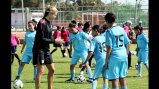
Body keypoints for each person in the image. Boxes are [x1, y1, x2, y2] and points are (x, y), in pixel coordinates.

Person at [32, 5, 64, 89]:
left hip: (46, 49)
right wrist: (54, 41)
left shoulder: (50, 23)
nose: (55, 16)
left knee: (52, 70)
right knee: (40, 71)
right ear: (50, 13)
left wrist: (58, 42)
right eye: (55, 14)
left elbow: (50, 38)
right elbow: (41, 38)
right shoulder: (42, 22)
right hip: (39, 50)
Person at [105, 12, 130, 89]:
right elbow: (128, 42)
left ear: (107, 21)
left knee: (114, 79)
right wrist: (126, 54)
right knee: (122, 77)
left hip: (114, 57)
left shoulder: (109, 31)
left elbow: (109, 47)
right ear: (115, 20)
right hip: (123, 56)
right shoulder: (121, 29)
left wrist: (106, 61)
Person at [80, 25, 109, 89]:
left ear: (96, 31)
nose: (91, 33)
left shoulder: (94, 40)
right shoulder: (104, 38)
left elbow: (91, 52)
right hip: (107, 59)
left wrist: (85, 62)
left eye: (92, 31)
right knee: (105, 77)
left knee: (95, 77)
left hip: (100, 60)